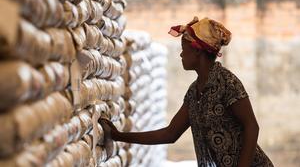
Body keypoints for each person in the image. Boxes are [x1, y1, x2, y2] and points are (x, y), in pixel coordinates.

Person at [100, 17, 274, 167]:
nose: (181, 54)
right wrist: (118, 136)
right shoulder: (194, 92)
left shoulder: (227, 82)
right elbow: (170, 133)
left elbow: (252, 126)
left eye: (184, 49)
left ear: (197, 52)